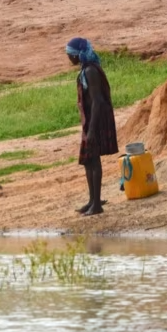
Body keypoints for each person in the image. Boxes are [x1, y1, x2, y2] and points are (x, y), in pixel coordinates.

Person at [65, 37, 118, 216]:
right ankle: (92, 200)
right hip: (90, 120)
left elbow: (97, 101)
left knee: (93, 160)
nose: (68, 57)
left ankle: (96, 204)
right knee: (89, 160)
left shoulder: (90, 71)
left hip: (96, 120)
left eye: (70, 54)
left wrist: (93, 129)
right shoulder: (87, 70)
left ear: (78, 54)